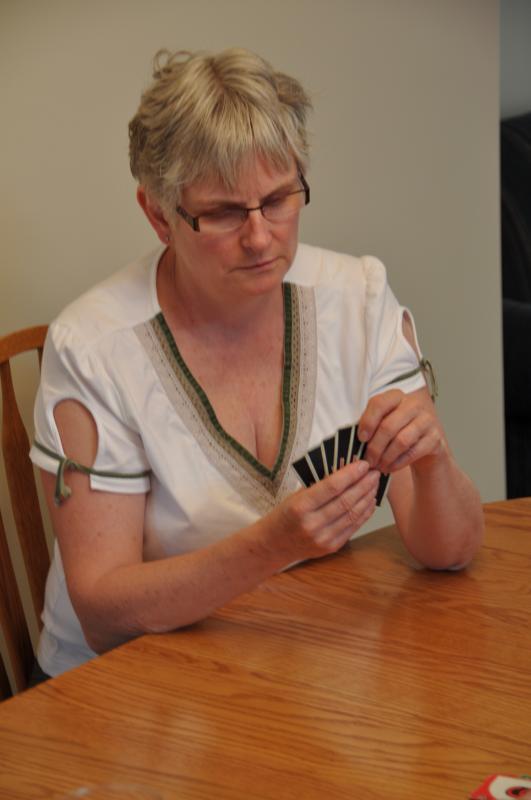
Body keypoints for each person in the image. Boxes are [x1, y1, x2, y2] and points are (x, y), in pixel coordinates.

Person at [29, 47, 483, 680]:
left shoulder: (359, 297)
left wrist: (432, 460)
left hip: (292, 654)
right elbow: (103, 613)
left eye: (278, 199)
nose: (261, 237)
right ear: (158, 215)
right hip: (122, 683)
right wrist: (271, 546)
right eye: (221, 213)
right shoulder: (93, 346)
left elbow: (452, 551)